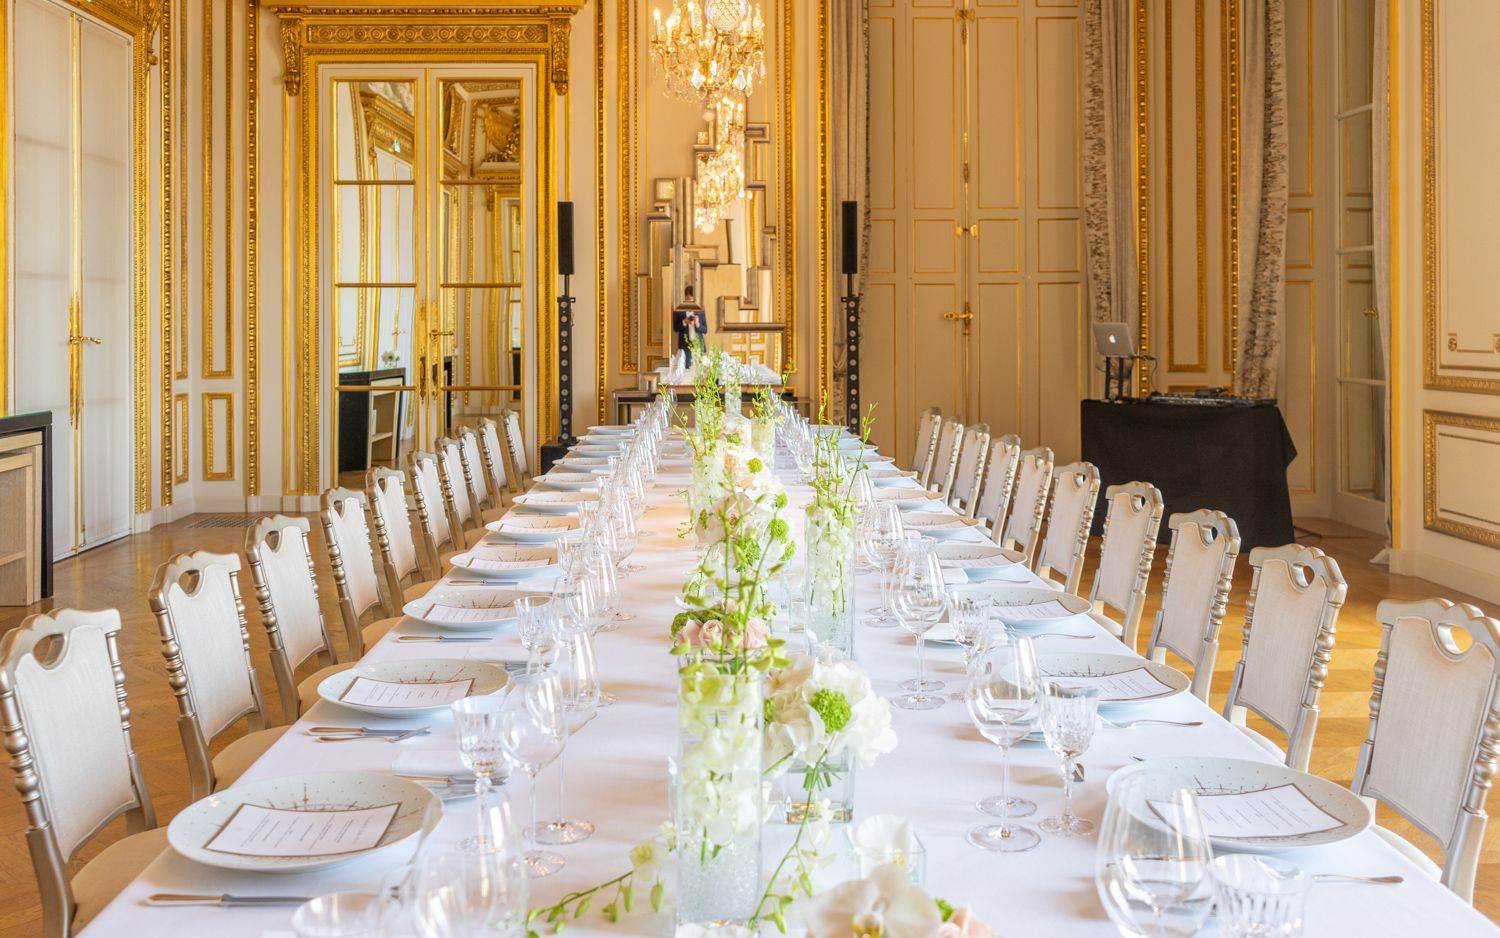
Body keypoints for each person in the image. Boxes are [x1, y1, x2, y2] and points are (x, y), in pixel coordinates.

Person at [672, 286, 708, 365]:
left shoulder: (701, 308)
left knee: (699, 371)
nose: (690, 302)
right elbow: (675, 328)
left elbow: (705, 330)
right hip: (685, 347)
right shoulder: (677, 309)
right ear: (684, 297)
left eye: (692, 300)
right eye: (687, 299)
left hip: (699, 346)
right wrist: (684, 322)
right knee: (687, 370)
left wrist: (697, 324)